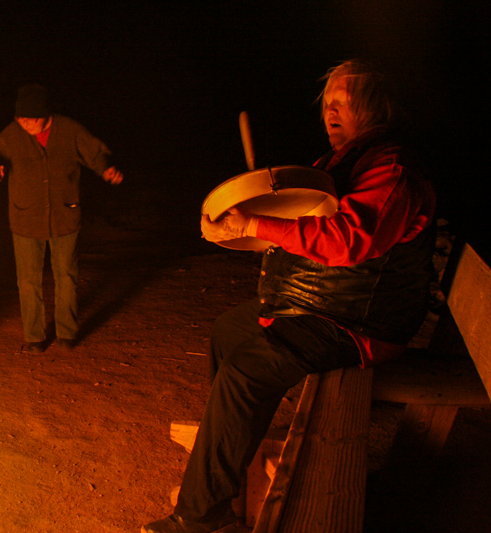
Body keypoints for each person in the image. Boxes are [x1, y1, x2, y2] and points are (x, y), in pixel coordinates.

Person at [142, 60, 436, 533]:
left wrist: (256, 223)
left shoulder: (392, 168)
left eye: (344, 102)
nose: (331, 111)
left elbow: (348, 241)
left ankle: (202, 518)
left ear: (375, 108)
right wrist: (231, 226)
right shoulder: (334, 165)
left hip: (361, 323)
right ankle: (230, 460)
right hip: (319, 306)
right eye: (327, 103)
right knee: (227, 333)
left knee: (246, 371)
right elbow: (292, 228)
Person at [0, 84, 123, 353]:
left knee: (66, 276)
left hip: (64, 214)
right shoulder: (13, 134)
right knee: (28, 280)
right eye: (21, 119)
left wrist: (106, 169)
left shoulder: (68, 129)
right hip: (25, 217)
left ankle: (67, 332)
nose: (27, 124)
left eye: (32, 118)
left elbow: (95, 153)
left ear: (46, 114)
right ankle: (34, 337)